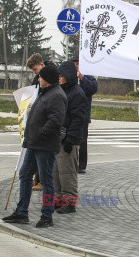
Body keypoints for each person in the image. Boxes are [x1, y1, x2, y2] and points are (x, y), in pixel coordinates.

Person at [3, 65, 67, 227]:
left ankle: (47, 216)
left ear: (47, 80)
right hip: (33, 143)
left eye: (41, 77)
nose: (38, 79)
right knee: (24, 175)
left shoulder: (57, 96)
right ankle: (21, 212)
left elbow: (55, 121)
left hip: (45, 145)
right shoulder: (44, 92)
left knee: (46, 180)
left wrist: (39, 133)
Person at [54, 61, 87, 214]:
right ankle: (59, 200)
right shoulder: (62, 90)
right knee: (57, 172)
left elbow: (78, 119)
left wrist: (70, 139)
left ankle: (70, 203)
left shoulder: (77, 93)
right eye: (58, 76)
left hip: (68, 140)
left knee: (67, 172)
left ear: (68, 76)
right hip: (58, 138)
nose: (59, 78)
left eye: (61, 76)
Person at [25, 53, 55, 191]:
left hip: (44, 128)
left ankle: (41, 182)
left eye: (35, 70)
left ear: (41, 65)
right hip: (36, 124)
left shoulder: (51, 77)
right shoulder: (37, 79)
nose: (35, 74)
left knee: (44, 162)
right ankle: (36, 180)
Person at [71, 57, 97, 174]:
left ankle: (81, 165)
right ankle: (71, 163)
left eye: (78, 64)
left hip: (83, 115)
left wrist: (81, 77)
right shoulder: (68, 76)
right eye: (74, 64)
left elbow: (92, 88)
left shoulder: (88, 76)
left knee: (82, 141)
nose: (76, 66)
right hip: (70, 114)